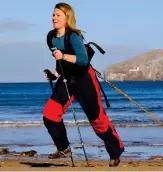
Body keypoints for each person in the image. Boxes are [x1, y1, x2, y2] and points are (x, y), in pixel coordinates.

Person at [43, 2, 124, 167]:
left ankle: (115, 151)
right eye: (53, 14)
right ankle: (64, 147)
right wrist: (55, 74)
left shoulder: (74, 36)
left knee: (98, 122)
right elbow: (59, 61)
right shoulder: (50, 36)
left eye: (58, 15)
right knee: (50, 115)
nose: (54, 18)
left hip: (84, 80)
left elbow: (83, 60)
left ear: (67, 18)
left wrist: (63, 56)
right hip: (66, 80)